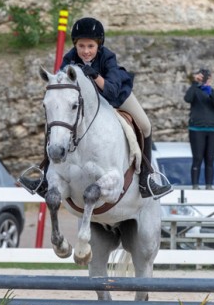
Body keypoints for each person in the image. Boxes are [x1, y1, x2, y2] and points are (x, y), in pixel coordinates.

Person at [19, 17, 172, 199]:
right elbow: (63, 88)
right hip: (88, 103)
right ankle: (44, 177)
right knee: (53, 126)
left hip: (117, 96)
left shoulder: (107, 57)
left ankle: (146, 179)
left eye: (90, 46)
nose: (86, 51)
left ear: (98, 45)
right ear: (75, 45)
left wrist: (95, 75)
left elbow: (111, 91)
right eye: (81, 46)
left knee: (145, 125)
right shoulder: (70, 59)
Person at [183, 68, 214, 189]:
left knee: (210, 160)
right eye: (203, 77)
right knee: (197, 158)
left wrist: (210, 91)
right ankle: (195, 185)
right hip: (196, 129)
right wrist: (195, 83)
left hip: (213, 130)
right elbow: (187, 99)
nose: (205, 79)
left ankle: (209, 186)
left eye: (207, 77)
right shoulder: (195, 90)